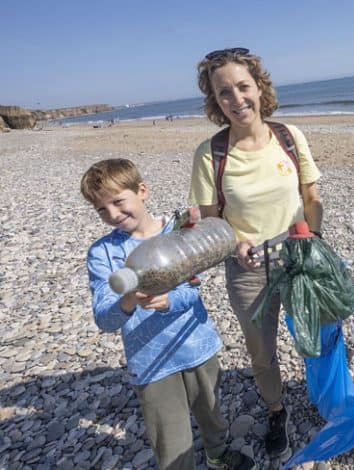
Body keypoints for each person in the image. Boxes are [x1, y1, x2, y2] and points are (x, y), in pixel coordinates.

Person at [189, 47, 323, 463]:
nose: (237, 99)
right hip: (247, 271)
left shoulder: (289, 136)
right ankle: (276, 411)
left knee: (316, 338)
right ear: (215, 101)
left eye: (243, 86)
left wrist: (313, 236)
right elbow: (211, 221)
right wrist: (235, 242)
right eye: (224, 92)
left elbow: (311, 196)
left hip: (299, 258)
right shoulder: (210, 153)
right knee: (261, 352)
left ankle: (327, 400)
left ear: (260, 88)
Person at [81, 159, 256, 470]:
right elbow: (104, 319)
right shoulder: (103, 254)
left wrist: (169, 300)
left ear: (142, 191)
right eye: (102, 210)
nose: (113, 215)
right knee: (170, 439)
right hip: (150, 362)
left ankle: (217, 454)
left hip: (196, 344)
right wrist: (128, 301)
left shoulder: (177, 232)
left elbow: (193, 287)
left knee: (212, 412)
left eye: (119, 202)